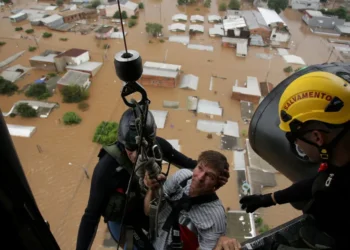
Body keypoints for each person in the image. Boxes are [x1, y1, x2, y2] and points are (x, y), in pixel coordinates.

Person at [76, 108, 230, 250]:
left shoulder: (158, 148)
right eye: (130, 149)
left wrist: (215, 177)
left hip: (148, 214)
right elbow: (90, 217)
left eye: (142, 148)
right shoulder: (106, 168)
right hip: (124, 223)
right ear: (123, 144)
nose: (136, 155)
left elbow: (192, 165)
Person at [239, 71, 350, 249]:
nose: (296, 144)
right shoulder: (338, 164)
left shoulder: (337, 197)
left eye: (293, 137)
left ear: (317, 137)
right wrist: (268, 199)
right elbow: (317, 182)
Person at [144, 150, 241, 250]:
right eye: (200, 168)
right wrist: (152, 189)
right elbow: (148, 211)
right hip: (152, 241)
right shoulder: (181, 178)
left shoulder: (215, 217)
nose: (200, 177)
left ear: (216, 186)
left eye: (210, 176)